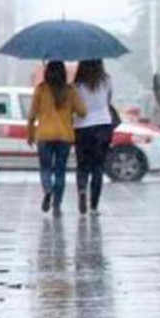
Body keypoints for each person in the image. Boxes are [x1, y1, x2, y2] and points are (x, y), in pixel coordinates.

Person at [27, 61, 87, 216]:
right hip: (64, 136)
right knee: (60, 171)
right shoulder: (70, 91)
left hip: (44, 135)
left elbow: (32, 115)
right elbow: (83, 112)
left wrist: (30, 135)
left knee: (45, 168)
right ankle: (57, 204)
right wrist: (70, 111)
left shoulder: (41, 90)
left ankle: (48, 190)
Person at [73, 59, 114, 215]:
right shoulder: (106, 80)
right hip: (103, 125)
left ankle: (82, 190)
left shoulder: (77, 85)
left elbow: (75, 107)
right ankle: (94, 206)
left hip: (82, 127)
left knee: (82, 165)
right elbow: (109, 100)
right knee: (98, 167)